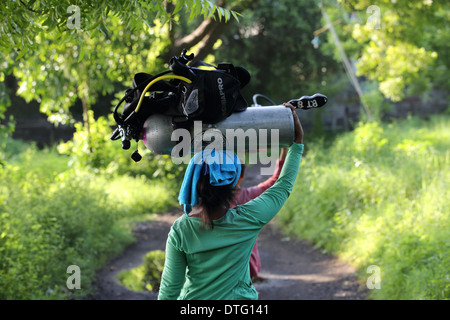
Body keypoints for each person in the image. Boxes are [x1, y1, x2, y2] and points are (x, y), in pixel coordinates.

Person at [158, 103, 304, 300]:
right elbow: (283, 185)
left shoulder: (181, 230)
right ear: (233, 185)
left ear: (194, 182)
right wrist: (297, 141)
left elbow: (169, 291)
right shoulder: (249, 219)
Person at [230, 147, 288, 280]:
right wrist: (286, 148)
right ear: (241, 176)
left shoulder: (203, 204)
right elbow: (277, 181)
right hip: (245, 270)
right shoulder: (247, 196)